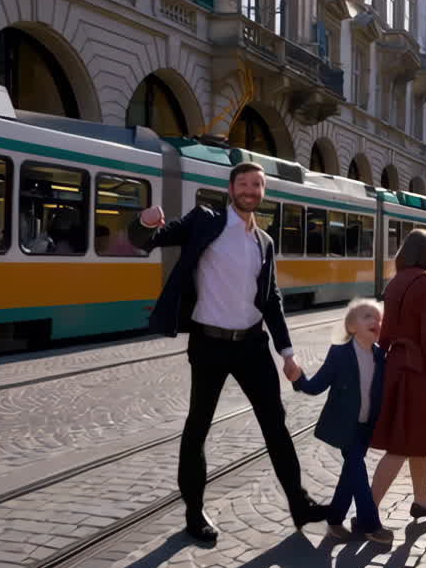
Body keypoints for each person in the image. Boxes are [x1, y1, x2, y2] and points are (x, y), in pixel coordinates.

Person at [129, 161, 327, 542]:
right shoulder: (205, 221)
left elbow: (271, 299)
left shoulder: (264, 242)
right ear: (231, 187)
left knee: (276, 426)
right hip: (209, 343)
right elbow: (146, 240)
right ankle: (194, 512)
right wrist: (144, 220)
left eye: (257, 184)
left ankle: (299, 503)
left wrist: (287, 352)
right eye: (244, 183)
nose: (250, 190)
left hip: (252, 344)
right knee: (198, 426)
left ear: (263, 191)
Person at [369, 230, 426, 526]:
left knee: (416, 438)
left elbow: (386, 333)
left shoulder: (396, 281)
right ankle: (368, 513)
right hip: (417, 371)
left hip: (397, 364)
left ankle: (421, 499)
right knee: (403, 444)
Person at [290, 299, 394, 544]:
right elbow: (316, 386)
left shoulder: (380, 356)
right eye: (368, 316)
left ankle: (335, 519)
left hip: (366, 426)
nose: (375, 321)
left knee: (351, 473)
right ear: (352, 326)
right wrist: (298, 379)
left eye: (378, 318)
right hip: (345, 426)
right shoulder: (340, 353)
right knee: (357, 470)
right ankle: (371, 524)